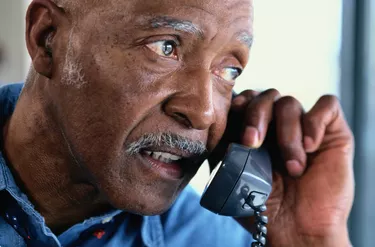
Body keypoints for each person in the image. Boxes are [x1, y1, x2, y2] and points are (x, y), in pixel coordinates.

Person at [0, 0, 354, 246]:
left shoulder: (208, 236)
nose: (204, 112)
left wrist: (312, 239)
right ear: (47, 38)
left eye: (228, 70)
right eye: (166, 47)